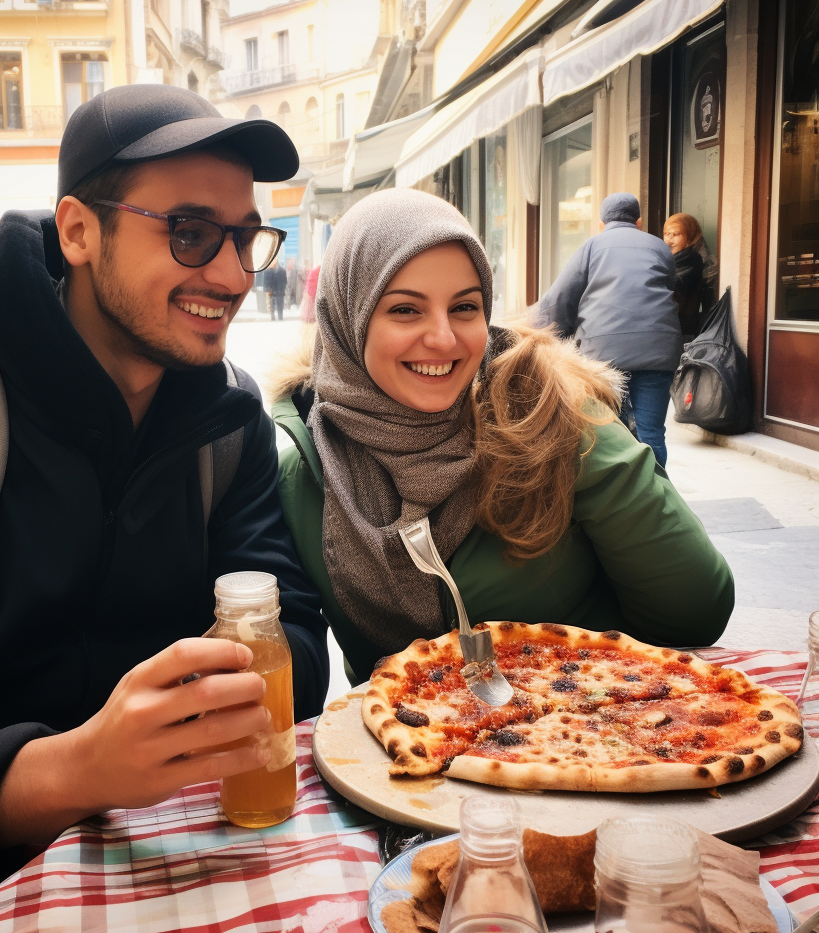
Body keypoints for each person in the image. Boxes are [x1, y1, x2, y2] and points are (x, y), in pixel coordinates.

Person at [0, 85, 328, 933]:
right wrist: (80, 767)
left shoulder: (226, 425)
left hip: (183, 865)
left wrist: (216, 689)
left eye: (245, 239)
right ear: (79, 230)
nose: (231, 276)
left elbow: (296, 638)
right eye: (190, 233)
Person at [270, 188, 732, 684]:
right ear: (347, 318)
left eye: (465, 307)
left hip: (585, 732)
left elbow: (697, 611)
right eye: (405, 309)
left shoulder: (544, 413)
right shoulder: (301, 474)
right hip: (400, 747)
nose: (445, 338)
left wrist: (571, 429)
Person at [538, 192, 683, 467]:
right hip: (659, 350)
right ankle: (655, 499)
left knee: (609, 433)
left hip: (604, 355)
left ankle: (618, 498)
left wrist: (539, 335)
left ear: (602, 223)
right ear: (638, 221)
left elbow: (560, 299)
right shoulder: (660, 248)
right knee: (651, 433)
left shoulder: (592, 246)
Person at [663, 212, 719, 339]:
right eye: (666, 234)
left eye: (676, 234)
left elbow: (672, 288)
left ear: (690, 236)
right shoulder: (671, 258)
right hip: (674, 328)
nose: (669, 240)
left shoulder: (690, 258)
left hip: (681, 330)